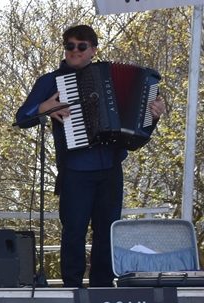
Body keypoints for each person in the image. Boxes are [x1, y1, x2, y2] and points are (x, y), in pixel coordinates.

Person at [16, 24, 165, 287]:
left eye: (81, 47)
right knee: (73, 231)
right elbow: (22, 118)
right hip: (74, 168)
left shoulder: (105, 74)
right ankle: (72, 286)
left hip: (110, 168)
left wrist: (151, 119)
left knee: (107, 232)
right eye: (69, 46)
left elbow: (135, 139)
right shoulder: (51, 81)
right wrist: (44, 107)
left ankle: (102, 287)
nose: (74, 51)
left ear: (93, 50)